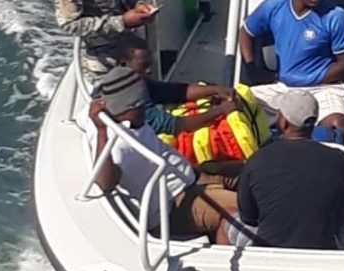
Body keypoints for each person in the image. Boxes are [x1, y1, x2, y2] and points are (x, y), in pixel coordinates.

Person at [87, 66, 241, 244]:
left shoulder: (134, 119)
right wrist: (101, 132)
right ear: (132, 106)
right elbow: (104, 182)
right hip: (173, 205)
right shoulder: (117, 144)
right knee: (245, 209)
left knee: (252, 172)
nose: (146, 107)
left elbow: (173, 92)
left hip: (190, 176)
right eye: (142, 104)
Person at [238, 0, 344, 135]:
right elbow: (246, 32)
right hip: (282, 87)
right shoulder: (273, 7)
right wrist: (251, 67)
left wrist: (308, 78)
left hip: (322, 88)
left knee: (335, 127)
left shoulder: (335, 16)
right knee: (238, 109)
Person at [231, 90, 344, 248]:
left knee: (224, 225)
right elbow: (343, 215)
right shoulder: (341, 159)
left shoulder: (257, 159)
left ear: (283, 122)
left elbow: (248, 217)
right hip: (323, 249)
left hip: (268, 249)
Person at [114, 33, 236, 136]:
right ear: (124, 64)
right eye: (143, 66)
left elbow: (173, 91)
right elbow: (173, 126)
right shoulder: (128, 99)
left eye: (149, 65)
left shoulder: (132, 81)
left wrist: (215, 89)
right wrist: (220, 110)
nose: (149, 71)